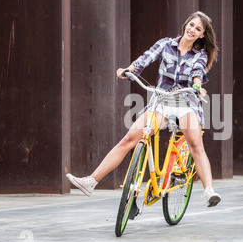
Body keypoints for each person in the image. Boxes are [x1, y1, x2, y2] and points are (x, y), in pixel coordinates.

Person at [66, 11, 221, 207]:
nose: (192, 30)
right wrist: (129, 70)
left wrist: (197, 86)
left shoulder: (200, 54)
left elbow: (198, 72)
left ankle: (209, 191)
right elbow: (145, 59)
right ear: (185, 25)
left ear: (201, 35)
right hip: (163, 100)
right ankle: (92, 181)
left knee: (196, 145)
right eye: (191, 25)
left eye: (198, 29)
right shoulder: (165, 44)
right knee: (130, 138)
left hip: (186, 102)